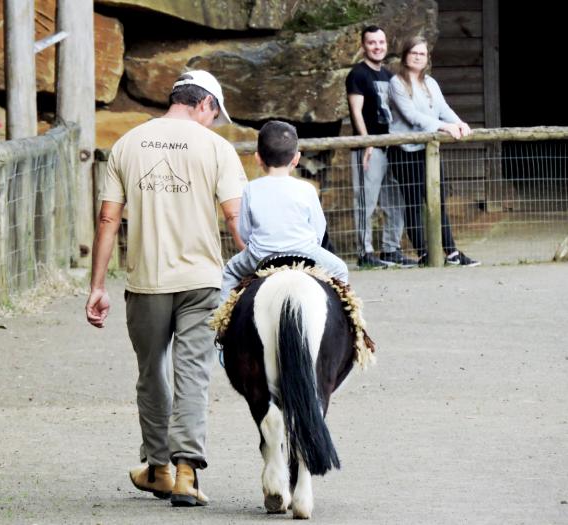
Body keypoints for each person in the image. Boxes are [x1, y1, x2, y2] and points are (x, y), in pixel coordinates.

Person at [85, 70, 247, 507]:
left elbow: (107, 220)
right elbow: (235, 217)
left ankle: (157, 466)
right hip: (201, 281)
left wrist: (97, 285)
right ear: (205, 105)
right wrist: (256, 268)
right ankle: (187, 473)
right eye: (215, 114)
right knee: (193, 371)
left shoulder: (127, 144)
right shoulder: (216, 148)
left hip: (147, 281)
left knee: (151, 369)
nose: (213, 122)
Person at [220, 120, 349, 302]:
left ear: (258, 158)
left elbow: (244, 232)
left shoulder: (250, 189)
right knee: (340, 269)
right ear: (296, 158)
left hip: (261, 255)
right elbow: (319, 230)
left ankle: (221, 324)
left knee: (229, 271)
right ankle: (348, 320)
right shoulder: (307, 188)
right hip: (304, 252)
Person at [388, 36, 480, 267]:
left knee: (437, 200)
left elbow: (443, 108)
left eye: (422, 54)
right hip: (404, 151)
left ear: (427, 58)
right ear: (406, 55)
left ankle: (451, 252)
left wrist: (460, 123)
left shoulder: (431, 83)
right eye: (414, 53)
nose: (418, 57)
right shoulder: (397, 83)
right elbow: (411, 116)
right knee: (413, 202)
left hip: (428, 151)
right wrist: (443, 126)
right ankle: (424, 253)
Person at [346, 25, 416, 269]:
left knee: (395, 200)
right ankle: (364, 253)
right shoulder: (358, 74)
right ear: (363, 46)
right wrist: (366, 142)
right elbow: (356, 111)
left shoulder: (388, 75)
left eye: (381, 42)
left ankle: (391, 249)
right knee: (365, 201)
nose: (377, 47)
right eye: (372, 43)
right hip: (369, 148)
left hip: (390, 147)